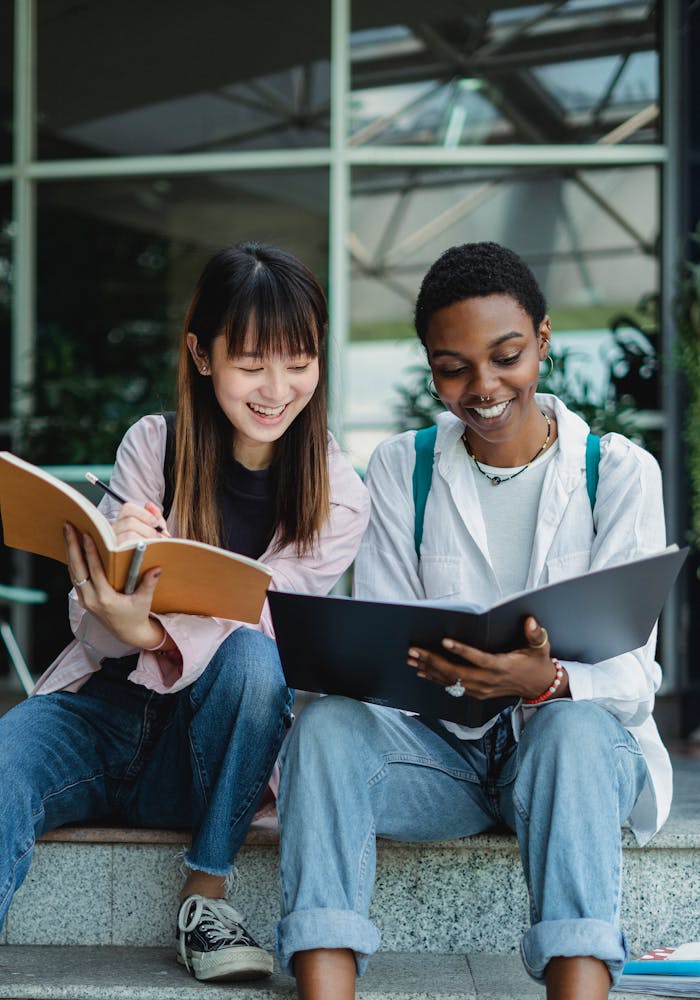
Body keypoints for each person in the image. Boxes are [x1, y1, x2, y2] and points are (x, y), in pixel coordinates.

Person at [275, 242, 671, 1000]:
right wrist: (433, 674)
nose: (483, 387)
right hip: (442, 763)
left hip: (564, 762)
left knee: (577, 727)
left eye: (507, 356)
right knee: (324, 725)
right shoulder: (402, 467)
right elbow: (389, 647)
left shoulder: (618, 471)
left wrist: (545, 681)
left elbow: (629, 676)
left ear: (544, 341)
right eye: (453, 367)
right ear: (430, 366)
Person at [0, 242, 369, 983]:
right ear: (202, 356)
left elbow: (262, 628)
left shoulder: (337, 495)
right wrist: (113, 600)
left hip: (208, 753)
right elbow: (92, 623)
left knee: (258, 662)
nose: (277, 387)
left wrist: (152, 629)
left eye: (299, 361)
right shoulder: (153, 444)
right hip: (98, 719)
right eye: (252, 362)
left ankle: (205, 897)